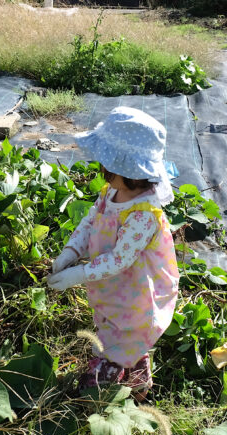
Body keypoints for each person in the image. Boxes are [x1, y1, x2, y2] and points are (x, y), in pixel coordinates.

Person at [47, 107, 179, 400]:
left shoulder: (144, 213)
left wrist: (78, 273)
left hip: (136, 289)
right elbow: (91, 219)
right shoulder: (112, 192)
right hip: (113, 284)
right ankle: (137, 373)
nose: (103, 170)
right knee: (109, 322)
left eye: (108, 165)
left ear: (129, 170)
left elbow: (120, 259)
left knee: (126, 331)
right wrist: (71, 252)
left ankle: (104, 383)